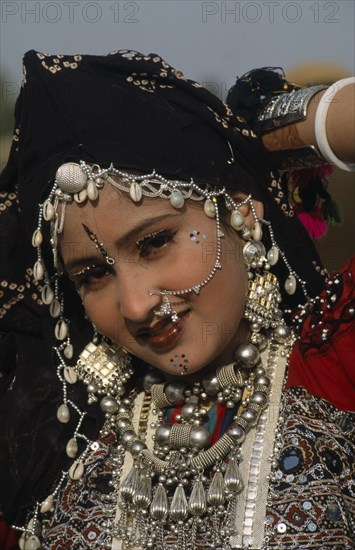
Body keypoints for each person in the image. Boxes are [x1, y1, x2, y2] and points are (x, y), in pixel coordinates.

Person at [0, 49, 354, 550]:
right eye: (94, 275)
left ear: (240, 209)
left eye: (155, 243)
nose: (136, 305)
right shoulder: (49, 441)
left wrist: (270, 129)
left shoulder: (334, 364)